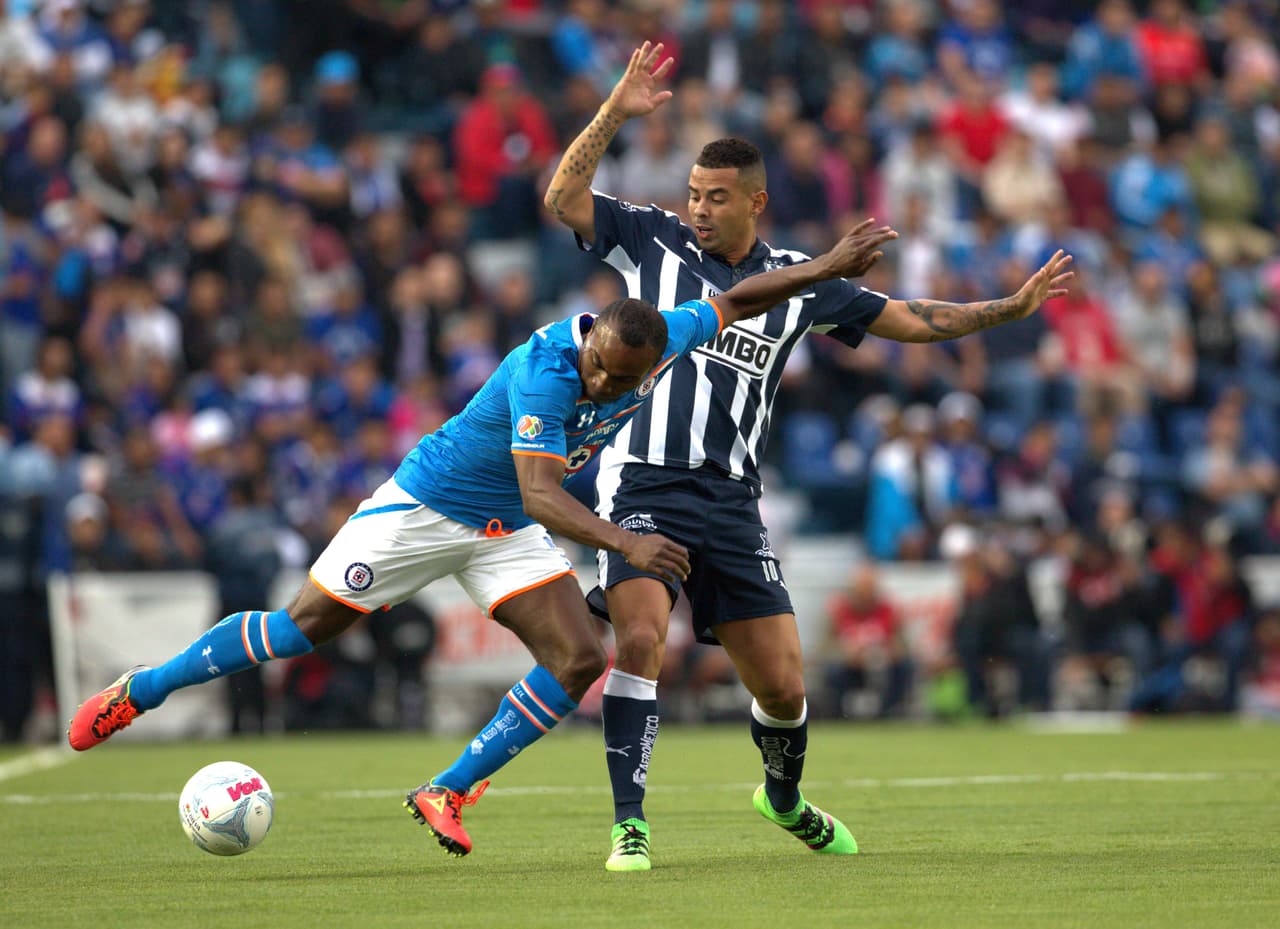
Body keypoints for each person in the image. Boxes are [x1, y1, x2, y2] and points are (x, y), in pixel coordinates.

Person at [66, 216, 900, 860]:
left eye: (625, 378)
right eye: (604, 367)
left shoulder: (658, 338)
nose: (608, 383)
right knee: (300, 630)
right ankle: (142, 688)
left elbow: (734, 301)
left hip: (503, 531)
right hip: (428, 508)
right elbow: (543, 491)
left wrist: (823, 267)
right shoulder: (546, 370)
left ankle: (447, 789)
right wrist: (627, 543)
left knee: (579, 660)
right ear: (593, 336)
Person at [544, 41, 1074, 872]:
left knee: (785, 689)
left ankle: (782, 797)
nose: (699, 209)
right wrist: (616, 109)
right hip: (642, 479)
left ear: (755, 200)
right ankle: (629, 823)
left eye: (716, 198)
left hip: (732, 501)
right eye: (692, 194)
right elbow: (562, 194)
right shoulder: (650, 241)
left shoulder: (800, 278)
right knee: (641, 638)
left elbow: (906, 316)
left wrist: (1007, 308)